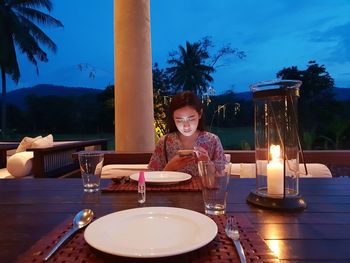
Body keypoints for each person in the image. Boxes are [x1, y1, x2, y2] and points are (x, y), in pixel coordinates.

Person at [148, 91, 226, 176]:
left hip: (203, 189)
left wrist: (207, 164)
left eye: (191, 119)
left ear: (200, 114)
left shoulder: (212, 141)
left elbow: (221, 179)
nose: (186, 126)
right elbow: (152, 177)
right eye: (179, 120)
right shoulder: (165, 142)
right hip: (173, 189)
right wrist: (169, 168)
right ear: (173, 118)